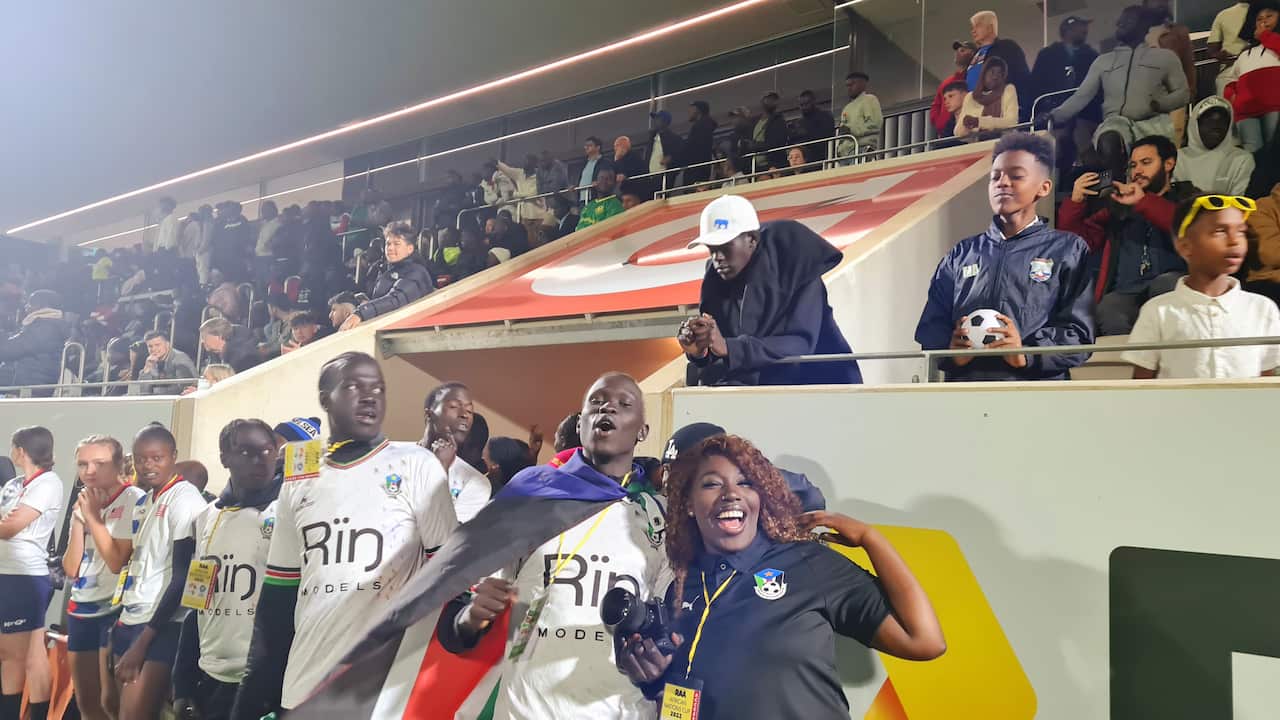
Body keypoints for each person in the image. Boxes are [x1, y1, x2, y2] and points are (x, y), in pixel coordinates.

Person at [618, 434, 944, 718]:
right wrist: (651, 680)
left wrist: (871, 539)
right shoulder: (680, 586)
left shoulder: (808, 563)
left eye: (745, 482)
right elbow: (684, 693)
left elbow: (924, 641)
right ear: (688, 504)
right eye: (712, 483)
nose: (731, 493)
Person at [232, 352, 456, 718]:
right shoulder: (300, 476)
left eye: (378, 388)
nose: (370, 397)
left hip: (382, 687)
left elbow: (449, 574)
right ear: (324, 398)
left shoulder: (416, 464)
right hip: (305, 683)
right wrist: (252, 695)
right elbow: (278, 597)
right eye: (353, 386)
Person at [437, 372, 670, 719]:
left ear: (642, 431)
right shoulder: (527, 497)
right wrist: (470, 618)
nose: (608, 407)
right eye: (596, 401)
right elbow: (455, 626)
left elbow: (673, 633)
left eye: (624, 404)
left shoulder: (659, 518)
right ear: (581, 425)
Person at [917, 133, 1095, 381]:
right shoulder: (961, 255)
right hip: (965, 395)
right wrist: (951, 353)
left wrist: (1027, 355)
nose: (1002, 182)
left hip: (1036, 400)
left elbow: (1078, 333)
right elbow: (931, 328)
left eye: (1016, 176)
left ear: (1044, 187)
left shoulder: (1068, 250)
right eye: (995, 176)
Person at [679, 195, 863, 386]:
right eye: (712, 249)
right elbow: (723, 352)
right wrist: (700, 351)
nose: (717, 257)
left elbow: (799, 343)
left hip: (823, 388)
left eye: (725, 247)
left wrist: (729, 347)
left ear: (751, 240)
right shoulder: (716, 279)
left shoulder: (796, 265)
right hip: (761, 396)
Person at [169, 419, 280, 720]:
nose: (260, 459)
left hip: (266, 682)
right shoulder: (208, 517)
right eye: (246, 452)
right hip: (211, 677)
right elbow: (196, 604)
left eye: (268, 450)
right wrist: (182, 685)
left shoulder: (287, 511)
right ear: (224, 458)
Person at [1121, 194, 1280, 378]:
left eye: (1241, 231)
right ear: (1185, 246)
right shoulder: (1158, 311)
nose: (1234, 240)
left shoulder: (1262, 309)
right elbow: (1141, 387)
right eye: (1220, 231)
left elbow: (1266, 383)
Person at [112, 424, 208, 720]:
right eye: (141, 459)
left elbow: (183, 578)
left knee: (134, 715)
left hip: (161, 627)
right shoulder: (145, 500)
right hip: (131, 618)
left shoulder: (185, 499)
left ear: (173, 457)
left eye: (157, 458)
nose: (148, 466)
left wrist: (144, 641)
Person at [1058, 135, 1199, 335]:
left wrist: (1144, 202)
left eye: (1146, 163)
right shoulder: (1118, 206)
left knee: (1166, 285)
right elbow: (1079, 243)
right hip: (1126, 290)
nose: (1137, 171)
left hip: (1174, 282)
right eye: (1133, 165)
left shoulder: (1187, 198)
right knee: (1109, 308)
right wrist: (1075, 202)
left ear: (1169, 164)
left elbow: (1188, 228)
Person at [1047, 6, 1190, 177]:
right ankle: (1117, 189)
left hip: (1153, 124)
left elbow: (1183, 93)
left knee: (1153, 164)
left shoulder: (1164, 57)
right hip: (1116, 123)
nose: (1120, 23)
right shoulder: (1103, 61)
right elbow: (1081, 96)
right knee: (1108, 139)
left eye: (1128, 20)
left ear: (1143, 25)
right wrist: (1054, 116)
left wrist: (1161, 103)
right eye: (1120, 20)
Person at [63, 435, 142, 720]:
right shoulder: (84, 501)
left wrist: (94, 518)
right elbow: (71, 569)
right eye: (83, 464)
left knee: (112, 703)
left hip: (114, 608)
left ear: (119, 464)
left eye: (99, 463)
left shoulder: (133, 498)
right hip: (81, 606)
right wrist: (78, 522)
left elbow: (116, 562)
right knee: (87, 703)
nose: (89, 471)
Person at [0, 427, 64, 720]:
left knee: (30, 655)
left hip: (25, 576)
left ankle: (37, 714)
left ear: (21, 450)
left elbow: (11, 527)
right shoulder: (14, 484)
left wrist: (7, 524)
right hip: (6, 573)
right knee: (9, 655)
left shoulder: (48, 483)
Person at [340, 221, 434, 330]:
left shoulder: (416, 272)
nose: (390, 248)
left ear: (410, 249)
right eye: (388, 244)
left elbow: (395, 300)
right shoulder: (382, 270)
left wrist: (361, 313)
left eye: (397, 244)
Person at [1030, 17, 1101, 159]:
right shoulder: (1047, 55)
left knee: (1085, 148)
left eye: (1085, 26)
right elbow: (1035, 87)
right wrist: (1041, 113)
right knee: (1054, 151)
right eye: (1080, 26)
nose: (1085, 30)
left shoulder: (1093, 57)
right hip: (1053, 117)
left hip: (1085, 116)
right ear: (1068, 30)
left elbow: (1098, 91)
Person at [419, 382, 491, 523]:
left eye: (469, 411)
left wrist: (441, 470)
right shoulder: (391, 455)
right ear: (429, 415)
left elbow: (444, 536)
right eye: (453, 406)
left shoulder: (476, 482)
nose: (465, 415)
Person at [1218, 3, 1280, 153]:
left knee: (1275, 151)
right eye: (1259, 19)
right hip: (1246, 111)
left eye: (1269, 16)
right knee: (1252, 155)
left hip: (1274, 106)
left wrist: (1264, 35)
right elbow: (1231, 79)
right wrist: (1232, 96)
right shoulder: (1245, 53)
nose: (1263, 21)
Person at [1174, 96, 1255, 195]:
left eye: (1223, 121)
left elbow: (1240, 200)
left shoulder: (1241, 159)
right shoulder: (1178, 158)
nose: (1216, 126)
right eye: (1209, 121)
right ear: (1195, 124)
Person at [1143, 0, 1196, 144]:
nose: (1160, 3)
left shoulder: (1179, 31)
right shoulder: (1138, 33)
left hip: (1175, 94)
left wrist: (1190, 91)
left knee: (1175, 140)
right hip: (1146, 98)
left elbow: (1188, 63)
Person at [966, 10, 1031, 120]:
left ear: (990, 28)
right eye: (972, 27)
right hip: (975, 110)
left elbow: (1021, 76)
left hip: (999, 109)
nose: (973, 31)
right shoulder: (975, 55)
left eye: (978, 26)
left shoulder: (1007, 47)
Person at [0, 289, 69, 391]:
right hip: (26, 378)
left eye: (31, 302)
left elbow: (11, 349)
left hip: (30, 382)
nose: (26, 306)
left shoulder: (45, 327)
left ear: (43, 305)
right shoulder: (44, 324)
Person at [955, 57, 1019, 139]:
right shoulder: (970, 97)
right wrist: (966, 125)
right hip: (978, 147)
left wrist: (980, 122)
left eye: (1000, 73)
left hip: (1004, 143)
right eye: (992, 72)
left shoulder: (1008, 89)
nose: (995, 77)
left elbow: (1012, 122)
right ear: (983, 74)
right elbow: (958, 133)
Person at [498, 155, 550, 242]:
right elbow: (508, 170)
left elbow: (532, 194)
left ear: (534, 164)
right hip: (523, 216)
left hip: (537, 215)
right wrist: (497, 163)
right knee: (527, 242)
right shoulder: (520, 173)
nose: (524, 164)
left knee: (538, 241)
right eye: (524, 161)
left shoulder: (540, 176)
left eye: (527, 161)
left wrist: (515, 194)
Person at [931, 41, 978, 136]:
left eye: (962, 50)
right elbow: (936, 105)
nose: (957, 53)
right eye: (957, 50)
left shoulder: (974, 78)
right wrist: (940, 123)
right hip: (946, 132)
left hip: (966, 129)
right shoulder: (947, 82)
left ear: (973, 54)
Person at [137, 330, 196, 395]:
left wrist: (155, 391)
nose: (153, 349)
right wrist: (147, 369)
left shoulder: (179, 359)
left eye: (157, 345)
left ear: (167, 344)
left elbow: (184, 389)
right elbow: (141, 391)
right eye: (150, 346)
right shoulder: (151, 361)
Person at [837, 73, 882, 158]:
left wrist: (851, 130)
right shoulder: (847, 107)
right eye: (847, 85)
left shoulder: (869, 99)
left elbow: (875, 124)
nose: (849, 88)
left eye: (852, 84)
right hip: (845, 153)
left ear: (863, 84)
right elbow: (843, 131)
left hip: (862, 149)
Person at [791, 90, 835, 162]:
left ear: (813, 102)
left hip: (822, 157)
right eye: (801, 105)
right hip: (803, 160)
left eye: (806, 104)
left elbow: (826, 136)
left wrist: (805, 133)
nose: (804, 107)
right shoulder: (799, 122)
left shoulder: (825, 116)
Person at [682, 101, 717, 184]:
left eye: (690, 110)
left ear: (697, 110)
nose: (688, 112)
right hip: (701, 170)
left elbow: (692, 148)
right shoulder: (705, 126)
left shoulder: (700, 127)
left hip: (696, 171)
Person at [753, 92, 790, 170]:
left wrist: (755, 146)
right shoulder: (755, 122)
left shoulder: (779, 121)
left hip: (773, 164)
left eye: (774, 99)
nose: (770, 101)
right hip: (756, 165)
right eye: (768, 98)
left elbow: (777, 143)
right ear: (762, 101)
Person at [648, 110, 684, 189]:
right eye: (655, 119)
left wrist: (671, 158)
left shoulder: (674, 138)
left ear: (664, 121)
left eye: (658, 118)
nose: (655, 121)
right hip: (649, 177)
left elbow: (681, 156)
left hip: (664, 176)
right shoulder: (652, 138)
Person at [254, 201, 282, 286]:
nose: (263, 212)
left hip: (269, 257)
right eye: (262, 210)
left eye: (266, 210)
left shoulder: (278, 223)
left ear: (273, 210)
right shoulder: (264, 224)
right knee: (260, 283)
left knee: (270, 284)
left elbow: (276, 240)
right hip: (259, 257)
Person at [578, 136, 612, 204]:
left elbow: (609, 177)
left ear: (598, 147)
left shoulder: (605, 162)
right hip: (582, 199)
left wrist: (599, 182)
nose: (586, 147)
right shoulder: (584, 163)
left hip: (596, 198)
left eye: (589, 145)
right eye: (585, 146)